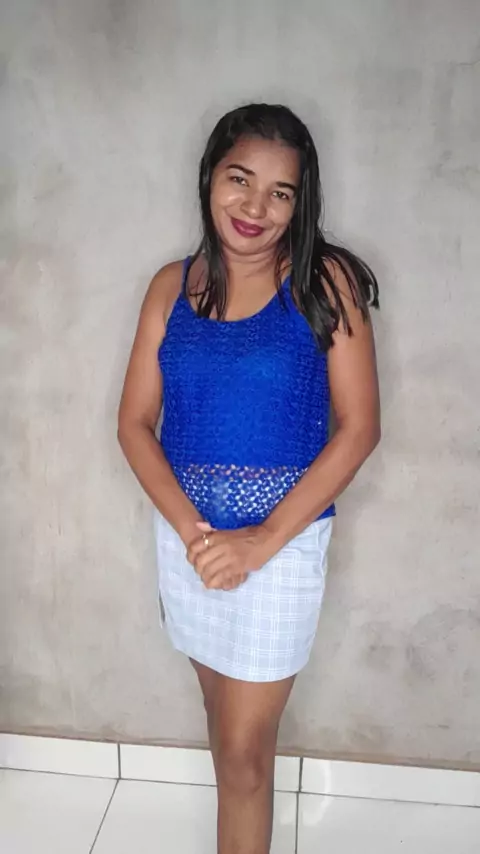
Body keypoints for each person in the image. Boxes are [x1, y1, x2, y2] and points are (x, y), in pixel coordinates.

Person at [118, 103, 380, 854]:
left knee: (243, 755)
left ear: (301, 202)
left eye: (280, 192)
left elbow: (359, 429)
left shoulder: (324, 281)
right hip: (191, 546)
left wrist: (258, 543)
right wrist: (196, 536)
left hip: (280, 547)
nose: (256, 206)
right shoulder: (169, 287)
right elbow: (134, 423)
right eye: (240, 179)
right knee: (223, 731)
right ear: (210, 177)